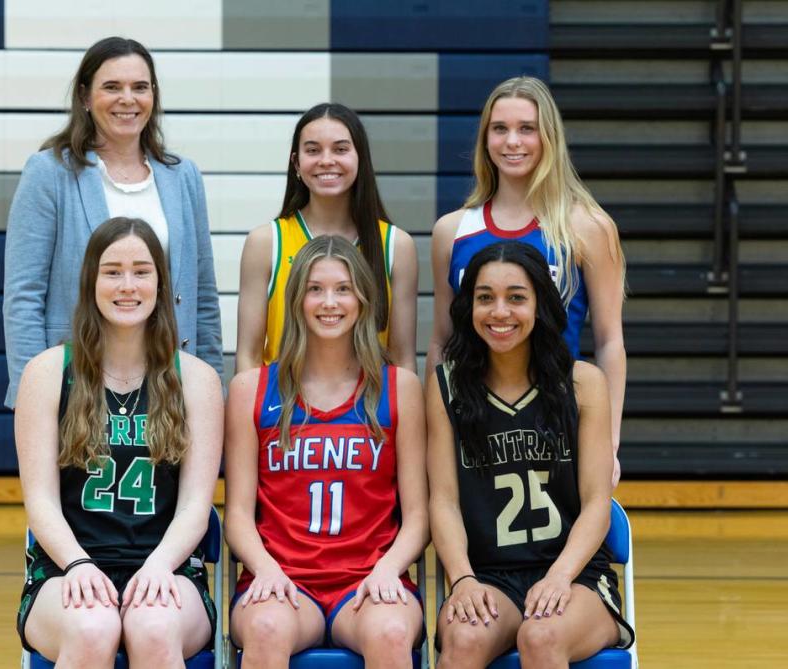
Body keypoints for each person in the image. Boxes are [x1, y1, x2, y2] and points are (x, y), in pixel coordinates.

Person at [14, 217, 223, 667]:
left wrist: (159, 565)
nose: (127, 285)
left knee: (153, 625)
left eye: (141, 271)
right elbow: (41, 502)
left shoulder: (198, 380)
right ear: (91, 281)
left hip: (167, 568)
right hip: (66, 569)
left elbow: (195, 507)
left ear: (161, 284)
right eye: (112, 271)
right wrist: (77, 565)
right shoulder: (48, 373)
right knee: (94, 629)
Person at [426, 242, 634, 669]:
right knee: (463, 641)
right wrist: (462, 579)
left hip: (576, 577)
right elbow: (443, 500)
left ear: (540, 304)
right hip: (487, 577)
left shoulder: (583, 384)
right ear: (469, 307)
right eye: (485, 298)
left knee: (540, 637)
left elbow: (597, 502)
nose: (499, 312)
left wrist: (559, 577)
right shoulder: (445, 386)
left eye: (516, 297)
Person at [225, 236, 428, 668]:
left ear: (363, 299)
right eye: (315, 289)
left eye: (343, 288)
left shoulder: (400, 389)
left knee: (391, 633)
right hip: (282, 579)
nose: (329, 302)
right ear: (297, 299)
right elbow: (238, 515)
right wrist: (265, 568)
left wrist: (389, 569)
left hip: (370, 579)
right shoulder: (252, 390)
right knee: (265, 629)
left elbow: (418, 516)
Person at [3, 36, 222, 409]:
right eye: (111, 87)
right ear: (85, 97)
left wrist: (212, 389)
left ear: (153, 96)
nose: (127, 99)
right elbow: (23, 297)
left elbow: (203, 298)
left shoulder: (183, 176)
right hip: (77, 386)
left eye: (140, 87)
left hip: (168, 384)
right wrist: (35, 397)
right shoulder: (49, 173)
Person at [428, 76, 626, 486]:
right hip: (474, 427)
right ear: (485, 138)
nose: (512, 141)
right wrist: (435, 435)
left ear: (548, 137)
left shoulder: (587, 227)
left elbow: (609, 342)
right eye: (499, 129)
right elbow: (441, 342)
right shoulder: (452, 231)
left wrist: (608, 442)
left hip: (556, 422)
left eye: (526, 128)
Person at [235, 102, 418, 373]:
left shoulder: (396, 245)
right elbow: (247, 358)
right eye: (313, 150)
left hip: (367, 412)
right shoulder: (266, 242)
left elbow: (402, 359)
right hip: (284, 411)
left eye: (341, 149)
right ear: (296, 162)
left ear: (361, 158)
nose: (326, 160)